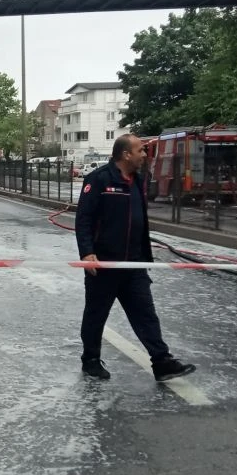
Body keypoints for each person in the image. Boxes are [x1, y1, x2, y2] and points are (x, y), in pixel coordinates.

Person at [75, 134, 196, 382]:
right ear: (125, 154)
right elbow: (84, 218)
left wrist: (144, 255)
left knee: (145, 314)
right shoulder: (99, 180)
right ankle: (90, 360)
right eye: (140, 150)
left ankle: (161, 362)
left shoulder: (139, 180)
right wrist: (87, 253)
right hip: (104, 264)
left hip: (134, 263)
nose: (145, 154)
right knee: (96, 314)